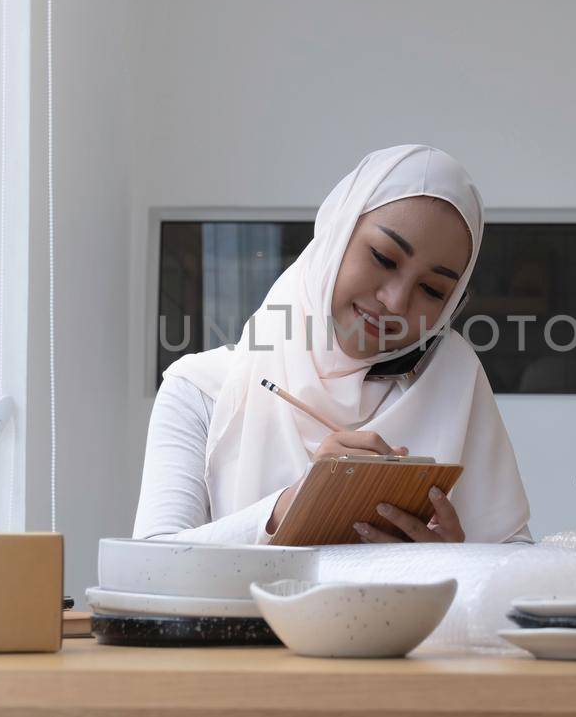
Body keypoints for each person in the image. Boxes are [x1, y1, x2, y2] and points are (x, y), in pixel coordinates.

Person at [132, 144, 532, 545]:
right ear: (336, 234)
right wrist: (289, 507)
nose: (395, 301)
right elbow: (147, 564)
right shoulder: (203, 391)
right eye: (383, 257)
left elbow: (516, 557)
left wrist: (454, 560)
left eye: (432, 289)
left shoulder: (452, 379)